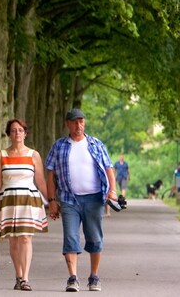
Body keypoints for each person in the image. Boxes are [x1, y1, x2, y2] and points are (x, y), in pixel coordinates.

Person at [45, 108, 118, 293]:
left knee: (94, 237)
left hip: (94, 198)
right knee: (70, 236)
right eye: (75, 122)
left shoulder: (95, 144)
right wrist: (52, 200)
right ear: (67, 124)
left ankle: (94, 277)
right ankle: (73, 278)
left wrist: (113, 190)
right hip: (69, 199)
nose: (79, 125)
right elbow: (50, 173)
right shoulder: (59, 146)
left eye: (81, 121)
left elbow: (109, 168)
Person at [0, 118, 50, 291]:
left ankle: (25, 278)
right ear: (9, 134)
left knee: (25, 237)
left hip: (28, 199)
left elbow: (41, 181)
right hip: (8, 199)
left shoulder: (33, 155)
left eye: (20, 130)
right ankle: (18, 275)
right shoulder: (2, 155)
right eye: (14, 130)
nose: (17, 133)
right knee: (14, 241)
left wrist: (52, 202)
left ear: (25, 133)